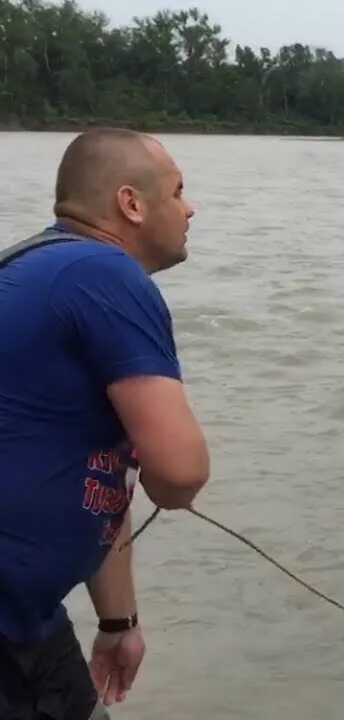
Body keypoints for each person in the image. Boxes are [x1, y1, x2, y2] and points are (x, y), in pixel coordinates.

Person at [0, 128, 211, 719]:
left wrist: (119, 622)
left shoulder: (44, 263)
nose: (190, 208)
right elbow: (179, 472)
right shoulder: (105, 274)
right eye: (178, 191)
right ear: (131, 204)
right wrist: (170, 481)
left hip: (29, 618)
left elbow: (102, 475)